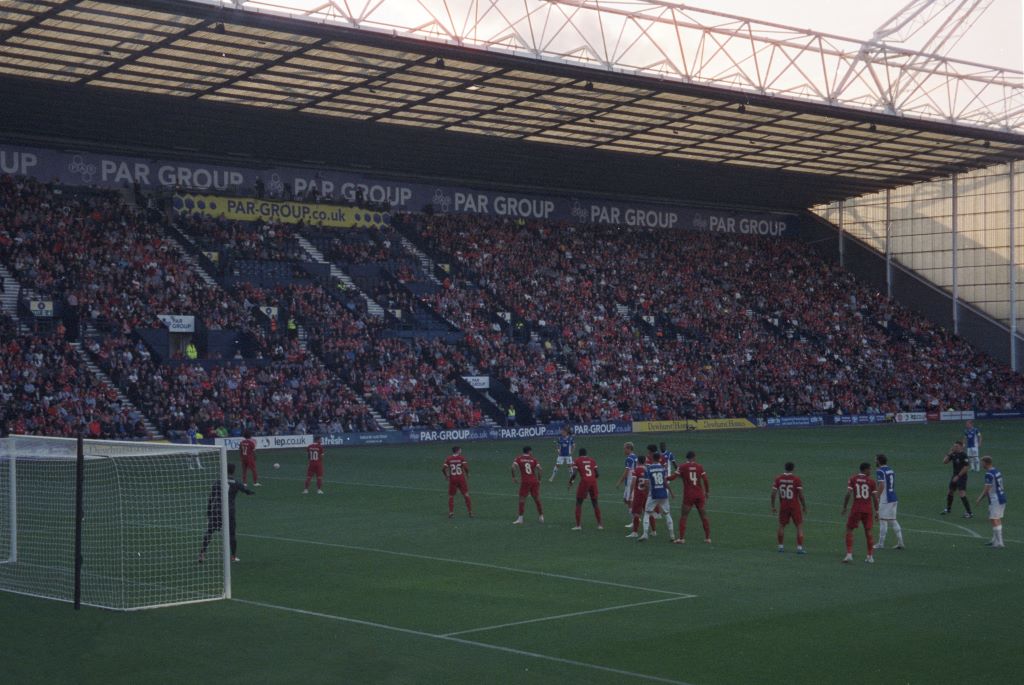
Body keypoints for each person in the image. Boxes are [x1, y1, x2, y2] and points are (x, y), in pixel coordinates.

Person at [199, 463, 254, 563]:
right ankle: (233, 556)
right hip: (229, 511)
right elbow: (246, 490)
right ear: (233, 471)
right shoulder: (236, 482)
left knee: (210, 531)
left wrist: (209, 511)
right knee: (232, 534)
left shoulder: (218, 482)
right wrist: (250, 492)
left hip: (217, 510)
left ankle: (202, 553)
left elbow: (211, 498)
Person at [669, 450, 710, 544]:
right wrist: (707, 492)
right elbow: (706, 480)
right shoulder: (699, 467)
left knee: (684, 516)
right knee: (703, 516)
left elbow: (673, 477)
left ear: (687, 458)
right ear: (694, 457)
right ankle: (707, 538)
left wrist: (665, 478)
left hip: (689, 495)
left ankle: (681, 538)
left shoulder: (682, 467)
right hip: (699, 494)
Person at [842, 462, 880, 563]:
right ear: (865, 470)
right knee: (868, 532)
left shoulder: (853, 479)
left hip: (856, 508)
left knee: (849, 529)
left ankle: (849, 554)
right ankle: (870, 556)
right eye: (869, 469)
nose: (870, 471)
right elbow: (875, 498)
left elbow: (848, 494)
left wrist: (845, 507)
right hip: (868, 510)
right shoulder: (871, 482)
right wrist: (877, 511)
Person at [639, 446, 675, 542]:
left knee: (647, 513)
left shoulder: (648, 469)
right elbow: (665, 482)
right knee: (667, 514)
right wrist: (671, 492)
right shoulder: (663, 469)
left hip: (653, 494)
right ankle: (672, 535)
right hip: (663, 494)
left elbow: (646, 483)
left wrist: (644, 487)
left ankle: (645, 534)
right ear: (659, 458)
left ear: (652, 459)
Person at [771, 462, 807, 554]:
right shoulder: (796, 479)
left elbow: (773, 494)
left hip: (784, 505)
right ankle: (799, 548)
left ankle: (780, 547)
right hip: (794, 505)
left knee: (781, 525)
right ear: (793, 469)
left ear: (785, 468)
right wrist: (804, 506)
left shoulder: (778, 478)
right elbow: (801, 495)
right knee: (799, 526)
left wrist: (773, 506)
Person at [568, 447, 603, 530]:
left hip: (584, 482)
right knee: (595, 503)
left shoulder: (577, 460)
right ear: (586, 454)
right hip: (593, 481)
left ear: (579, 454)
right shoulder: (592, 460)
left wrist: (570, 483)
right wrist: (592, 479)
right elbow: (597, 474)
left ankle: (578, 526)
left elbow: (574, 474)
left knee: (579, 502)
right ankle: (600, 525)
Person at [874, 454, 904, 550]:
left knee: (883, 520)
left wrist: (877, 496)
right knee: (893, 520)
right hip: (893, 497)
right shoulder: (891, 470)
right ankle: (900, 542)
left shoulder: (880, 471)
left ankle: (880, 544)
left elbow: (882, 485)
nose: (875, 461)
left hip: (885, 499)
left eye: (875, 460)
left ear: (878, 461)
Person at [976, 456, 1006, 548]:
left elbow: (987, 488)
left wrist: (980, 498)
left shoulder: (989, 474)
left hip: (995, 499)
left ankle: (999, 543)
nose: (981, 464)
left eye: (982, 463)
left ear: (986, 463)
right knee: (997, 518)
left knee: (993, 519)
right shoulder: (996, 471)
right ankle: (995, 540)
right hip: (1001, 497)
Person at [512, 446, 544, 524]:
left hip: (525, 481)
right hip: (534, 481)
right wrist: (539, 480)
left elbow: (513, 467)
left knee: (522, 499)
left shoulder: (519, 458)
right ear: (529, 451)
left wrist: (513, 477)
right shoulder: (534, 459)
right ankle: (541, 516)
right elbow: (540, 469)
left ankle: (520, 519)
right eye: (531, 451)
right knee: (537, 499)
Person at [626, 454, 655, 538]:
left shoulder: (636, 470)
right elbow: (648, 483)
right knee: (649, 512)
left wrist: (631, 493)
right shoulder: (647, 470)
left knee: (636, 513)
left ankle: (635, 532)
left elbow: (633, 481)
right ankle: (654, 531)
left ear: (638, 461)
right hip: (646, 494)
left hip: (638, 494)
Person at [942, 440, 973, 518]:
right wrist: (949, 453)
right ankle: (948, 509)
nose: (955, 447)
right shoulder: (953, 454)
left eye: (956, 446)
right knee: (950, 492)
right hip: (955, 476)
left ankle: (969, 513)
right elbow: (944, 462)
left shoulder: (964, 455)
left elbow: (966, 467)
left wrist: (958, 476)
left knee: (962, 493)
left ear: (961, 447)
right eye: (954, 446)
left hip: (961, 477)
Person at [614, 442, 639, 527]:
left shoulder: (629, 459)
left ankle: (634, 520)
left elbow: (626, 472)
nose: (624, 450)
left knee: (630, 500)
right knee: (626, 500)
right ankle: (636, 517)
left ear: (629, 449)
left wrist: (619, 482)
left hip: (630, 481)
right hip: (632, 481)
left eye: (625, 448)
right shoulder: (635, 457)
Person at [443, 445, 473, 519]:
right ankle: (470, 512)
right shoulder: (461, 458)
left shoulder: (449, 458)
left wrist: (446, 476)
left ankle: (451, 512)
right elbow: (465, 467)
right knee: (466, 494)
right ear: (458, 450)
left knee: (451, 496)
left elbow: (443, 468)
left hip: (453, 479)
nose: (461, 451)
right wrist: (468, 474)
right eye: (460, 450)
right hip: (461, 478)